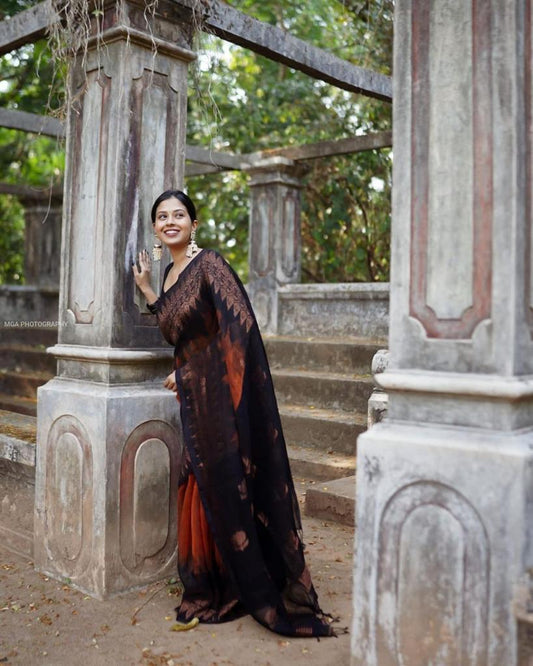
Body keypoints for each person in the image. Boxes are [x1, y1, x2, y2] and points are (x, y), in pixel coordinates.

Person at [133, 189, 336, 638]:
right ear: (154, 228)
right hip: (196, 399)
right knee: (199, 484)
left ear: (194, 223)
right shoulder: (169, 273)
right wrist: (148, 288)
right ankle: (211, 581)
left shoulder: (210, 265)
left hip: (219, 396)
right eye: (162, 217)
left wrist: (189, 370)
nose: (170, 222)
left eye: (179, 215)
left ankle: (246, 585)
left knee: (227, 480)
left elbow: (239, 325)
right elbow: (174, 330)